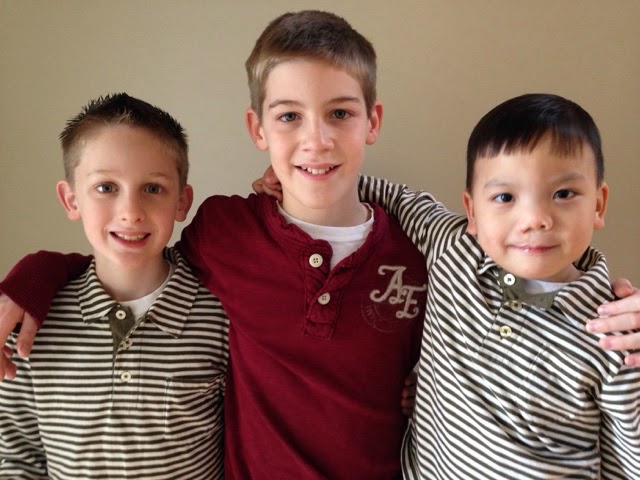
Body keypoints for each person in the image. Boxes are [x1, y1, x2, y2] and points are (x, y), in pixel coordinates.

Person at [0, 11, 428, 479]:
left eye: (340, 113)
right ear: (258, 128)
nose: (316, 140)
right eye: (289, 116)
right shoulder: (224, 232)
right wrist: (35, 274)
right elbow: (128, 259)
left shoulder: (418, 254)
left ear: (372, 121)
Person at [357, 93, 640, 478]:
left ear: (598, 205)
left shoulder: (617, 338)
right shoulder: (454, 249)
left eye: (563, 194)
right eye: (505, 197)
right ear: (472, 212)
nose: (535, 218)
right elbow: (397, 198)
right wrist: (297, 178)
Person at [0, 93, 229, 478]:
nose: (130, 212)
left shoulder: (219, 317)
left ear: (181, 201)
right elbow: (18, 457)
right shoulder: (28, 323)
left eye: (152, 188)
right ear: (71, 200)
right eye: (106, 187)